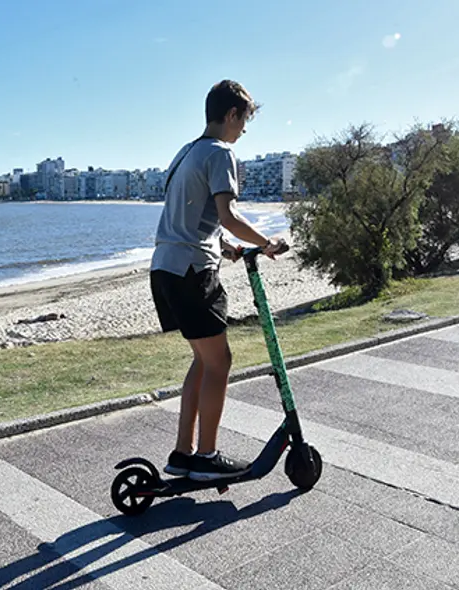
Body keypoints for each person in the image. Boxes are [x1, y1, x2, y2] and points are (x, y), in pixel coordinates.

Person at [150, 80, 285, 481]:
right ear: (231, 115)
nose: (244, 130)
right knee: (220, 361)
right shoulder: (221, 153)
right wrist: (267, 243)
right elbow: (227, 214)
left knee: (203, 360)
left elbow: (196, 215)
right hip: (193, 270)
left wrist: (224, 244)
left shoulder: (186, 152)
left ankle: (182, 454)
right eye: (244, 121)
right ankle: (206, 457)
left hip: (166, 268)